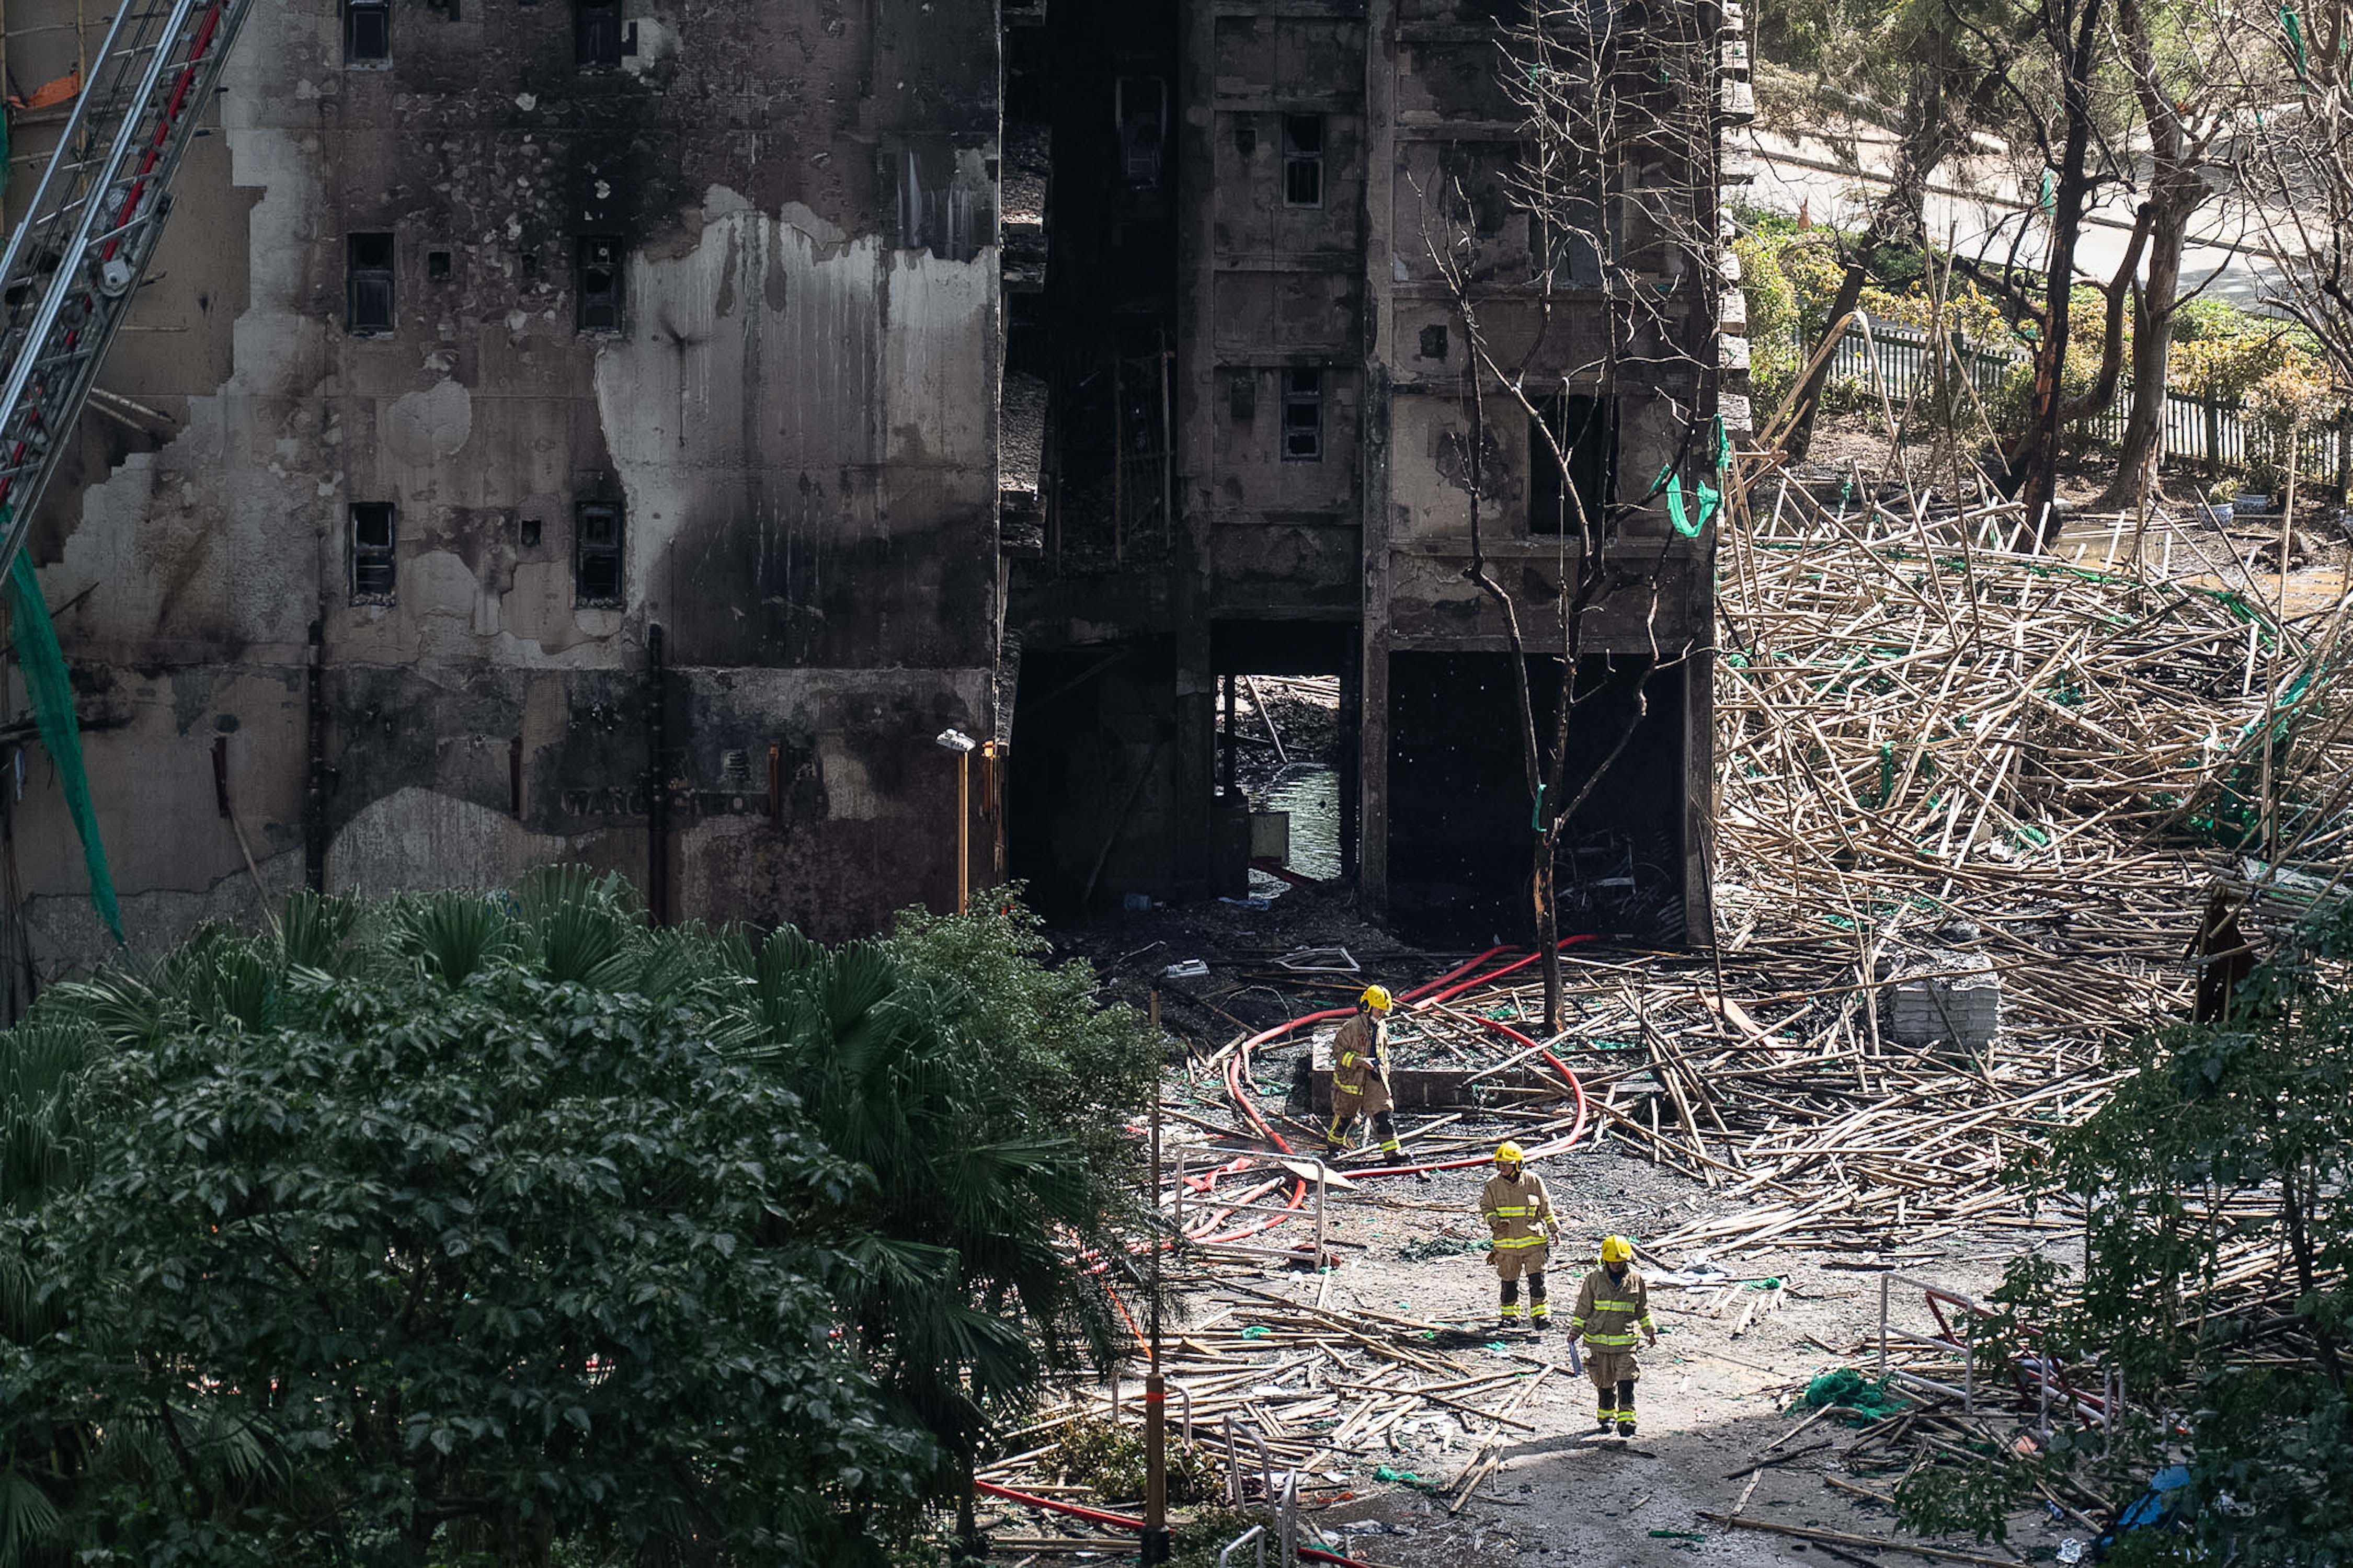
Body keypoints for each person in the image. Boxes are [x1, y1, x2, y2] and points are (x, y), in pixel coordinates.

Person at [1563, 1235, 1659, 1436]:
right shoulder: (1594, 1279)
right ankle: (1606, 1417)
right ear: (1605, 1260)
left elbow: (1642, 1309)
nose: (1616, 1265)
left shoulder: (1635, 1279)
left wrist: (1650, 1330)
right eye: (1613, 1262)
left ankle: (1627, 1419)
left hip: (1626, 1342)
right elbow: (1583, 1309)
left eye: (1620, 1261)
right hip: (1598, 1341)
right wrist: (1575, 1332)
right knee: (1604, 1381)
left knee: (1627, 1378)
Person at [1478, 1140, 1556, 1329]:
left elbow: (1546, 1208)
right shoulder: (1493, 1185)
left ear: (1519, 1164)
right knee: (1509, 1283)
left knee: (1537, 1281)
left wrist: (1554, 1229)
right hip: (1506, 1246)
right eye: (1500, 1164)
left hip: (1533, 1244)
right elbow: (1486, 1207)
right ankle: (1509, 1316)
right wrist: (1495, 1221)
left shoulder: (1533, 1181)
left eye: (1507, 1164)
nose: (1503, 1168)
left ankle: (1541, 1315)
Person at [1324, 985, 1400, 1161]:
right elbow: (1338, 1052)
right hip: (1351, 1081)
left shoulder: (1381, 1027)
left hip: (1374, 1079)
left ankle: (1393, 1154)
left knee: (1383, 1116)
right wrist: (1359, 1062)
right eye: (1379, 1010)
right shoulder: (1352, 1027)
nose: (1381, 1014)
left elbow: (1384, 1053)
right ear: (1367, 1006)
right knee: (1345, 1117)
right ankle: (1333, 1148)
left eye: (1384, 1011)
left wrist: (1383, 1073)